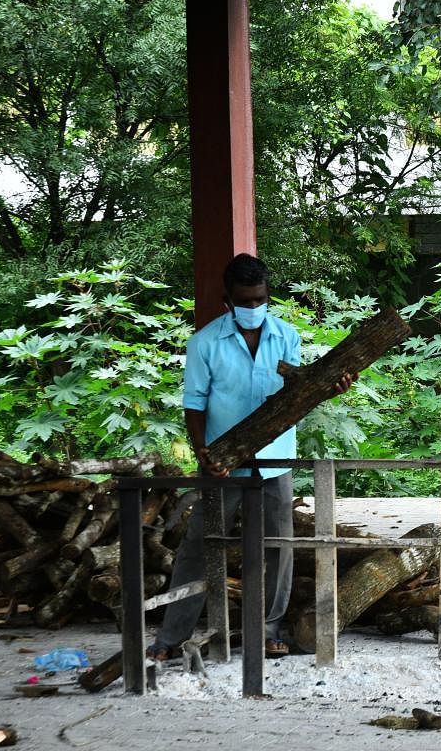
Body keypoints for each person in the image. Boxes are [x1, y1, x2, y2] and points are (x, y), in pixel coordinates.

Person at [147, 254, 354, 661]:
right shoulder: (204, 343)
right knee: (200, 545)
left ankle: (269, 631)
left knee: (279, 544)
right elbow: (194, 403)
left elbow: (296, 396)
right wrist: (202, 450)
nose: (253, 307)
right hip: (222, 460)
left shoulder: (285, 336)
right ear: (228, 300)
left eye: (259, 299)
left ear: (267, 296)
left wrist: (329, 388)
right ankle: (170, 638)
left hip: (276, 458)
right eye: (245, 300)